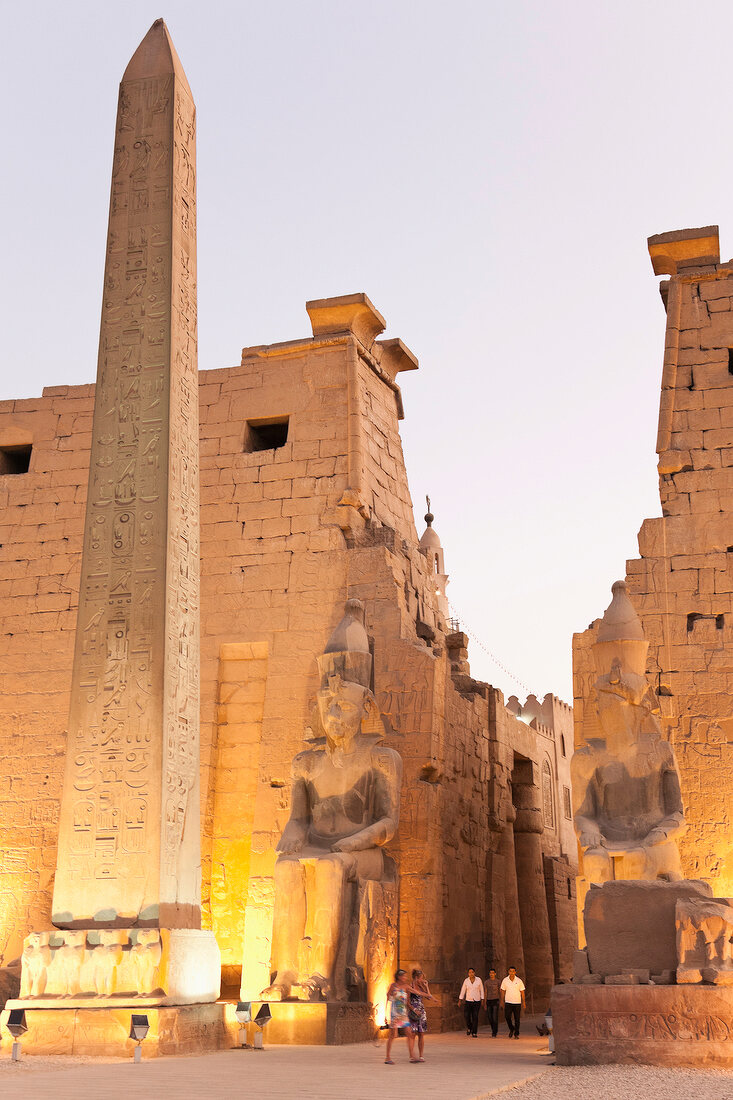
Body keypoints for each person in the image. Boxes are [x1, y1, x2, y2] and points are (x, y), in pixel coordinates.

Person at [385, 969, 419, 1064]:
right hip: (394, 1014)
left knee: (409, 1033)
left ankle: (412, 1055)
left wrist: (429, 995)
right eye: (404, 976)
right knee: (393, 1035)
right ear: (399, 977)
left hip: (403, 1014)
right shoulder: (393, 986)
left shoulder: (406, 987)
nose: (405, 978)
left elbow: (417, 992)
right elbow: (388, 999)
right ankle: (387, 1057)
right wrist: (385, 1015)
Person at [408, 968, 436, 1061]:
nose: (423, 980)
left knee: (421, 1033)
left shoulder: (421, 987)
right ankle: (412, 1055)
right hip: (413, 1011)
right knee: (412, 1033)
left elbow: (428, 996)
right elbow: (407, 1002)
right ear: (416, 978)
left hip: (422, 1012)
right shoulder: (410, 987)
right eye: (421, 978)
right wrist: (414, 1009)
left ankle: (421, 1055)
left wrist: (426, 986)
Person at [500, 966, 526, 1038]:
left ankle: (516, 1033)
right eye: (510, 971)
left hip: (517, 1002)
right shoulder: (505, 980)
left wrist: (524, 1002)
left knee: (517, 1019)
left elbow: (522, 992)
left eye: (513, 971)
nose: (512, 973)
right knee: (507, 1017)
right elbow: (502, 991)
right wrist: (502, 1001)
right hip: (508, 1002)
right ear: (508, 972)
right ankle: (512, 1028)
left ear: (515, 972)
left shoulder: (519, 981)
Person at [458, 967, 484, 1037]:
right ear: (468, 974)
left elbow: (481, 989)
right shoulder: (466, 981)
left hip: (477, 1001)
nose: (471, 974)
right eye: (469, 972)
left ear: (474, 973)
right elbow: (463, 990)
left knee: (475, 1016)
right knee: (466, 1015)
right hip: (468, 1000)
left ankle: (474, 1032)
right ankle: (469, 1027)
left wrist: (482, 999)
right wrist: (460, 1000)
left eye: (472, 972)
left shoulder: (479, 980)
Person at [484, 967, 500, 1037]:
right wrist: (484, 1002)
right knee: (490, 1017)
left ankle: (494, 1031)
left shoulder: (498, 982)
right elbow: (485, 992)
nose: (491, 974)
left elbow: (500, 991)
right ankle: (493, 1028)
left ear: (495, 974)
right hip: (489, 1000)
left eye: (493, 973)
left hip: (496, 1000)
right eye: (490, 973)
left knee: (494, 1016)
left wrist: (501, 1001)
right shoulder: (486, 982)